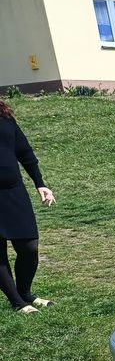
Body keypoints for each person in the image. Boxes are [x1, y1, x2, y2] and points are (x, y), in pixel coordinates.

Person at [0, 99, 55, 314]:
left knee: (29, 247)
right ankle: (17, 302)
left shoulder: (5, 117)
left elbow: (24, 152)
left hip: (14, 192)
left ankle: (25, 293)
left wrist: (40, 183)